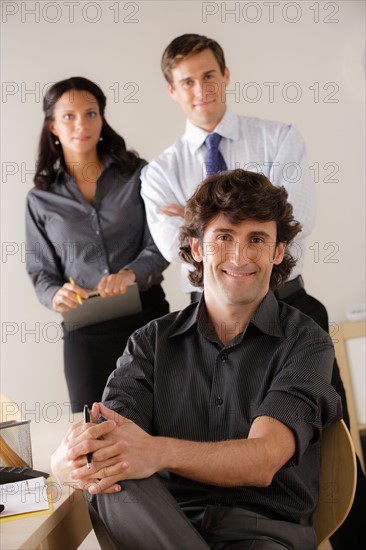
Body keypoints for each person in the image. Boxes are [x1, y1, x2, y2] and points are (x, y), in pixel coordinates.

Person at [140, 34, 366, 548]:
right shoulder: (158, 174)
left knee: (329, 455)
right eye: (187, 81)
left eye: (209, 75)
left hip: (289, 305)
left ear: (226, 75)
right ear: (172, 91)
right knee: (219, 450)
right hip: (207, 321)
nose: (201, 89)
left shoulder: (281, 136)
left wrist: (217, 230)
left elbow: (293, 226)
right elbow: (182, 249)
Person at [51, 170, 342, 550]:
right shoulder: (150, 343)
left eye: (257, 239)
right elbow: (106, 446)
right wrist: (64, 461)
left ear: (278, 251)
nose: (239, 256)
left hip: (260, 534)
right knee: (110, 482)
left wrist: (158, 452)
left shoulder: (307, 342)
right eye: (224, 237)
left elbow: (263, 458)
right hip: (159, 524)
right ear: (198, 246)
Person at [25, 77, 169, 413]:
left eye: (90, 114)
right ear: (53, 128)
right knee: (93, 430)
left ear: (102, 119)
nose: (81, 125)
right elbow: (40, 270)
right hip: (85, 331)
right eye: (69, 117)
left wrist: (131, 273)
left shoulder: (138, 175)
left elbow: (161, 245)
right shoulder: (40, 199)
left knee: (165, 421)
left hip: (146, 319)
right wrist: (53, 295)